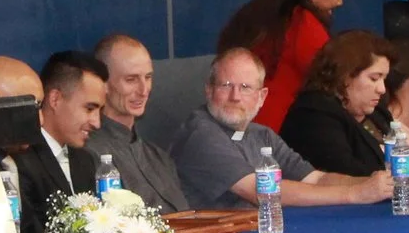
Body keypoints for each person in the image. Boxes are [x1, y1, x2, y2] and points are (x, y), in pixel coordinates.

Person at [167, 49, 394, 211]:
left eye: (245, 88)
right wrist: (355, 194)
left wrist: (368, 183)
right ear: (208, 91)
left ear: (262, 96)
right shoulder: (200, 133)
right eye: (226, 86)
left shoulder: (262, 135)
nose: (235, 96)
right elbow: (262, 192)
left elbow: (315, 179)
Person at [216, 0, 348, 134]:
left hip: (246, 120)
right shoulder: (304, 24)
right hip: (278, 126)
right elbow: (330, 78)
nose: (340, 3)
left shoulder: (269, 14)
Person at [86, 35, 190, 214]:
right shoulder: (89, 154)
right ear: (103, 84)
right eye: (131, 79)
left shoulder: (160, 158)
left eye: (148, 77)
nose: (143, 90)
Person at [14, 50, 108, 233]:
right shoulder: (20, 160)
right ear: (55, 99)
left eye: (100, 111)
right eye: (89, 109)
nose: (97, 122)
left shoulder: (85, 161)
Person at [279, 31, 391, 177]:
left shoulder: (378, 113)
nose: (382, 89)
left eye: (384, 79)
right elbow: (348, 174)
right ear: (344, 76)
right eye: (374, 78)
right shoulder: (314, 115)